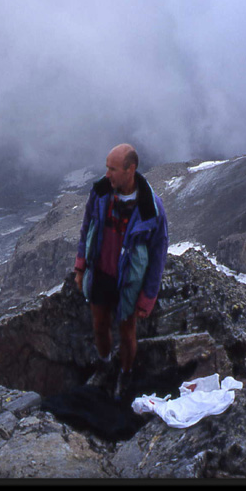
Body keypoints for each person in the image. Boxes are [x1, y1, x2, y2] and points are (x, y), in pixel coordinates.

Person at [74, 144, 168, 402]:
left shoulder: (152, 208)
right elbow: (86, 228)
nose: (107, 174)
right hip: (101, 274)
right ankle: (105, 365)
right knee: (99, 326)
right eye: (106, 167)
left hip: (129, 283)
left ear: (131, 170)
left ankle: (125, 373)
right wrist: (80, 266)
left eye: (112, 169)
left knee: (127, 333)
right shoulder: (101, 192)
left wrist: (148, 298)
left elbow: (158, 255)